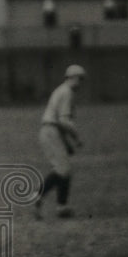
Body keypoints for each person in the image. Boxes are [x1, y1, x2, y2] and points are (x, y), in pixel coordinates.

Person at [34, 64, 86, 218]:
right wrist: (76, 137)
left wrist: (67, 143)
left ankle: (62, 207)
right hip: (51, 131)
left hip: (51, 130)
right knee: (62, 169)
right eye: (80, 79)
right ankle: (37, 195)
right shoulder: (67, 92)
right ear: (73, 78)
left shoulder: (61, 90)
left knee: (64, 169)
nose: (81, 83)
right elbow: (64, 121)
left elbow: (59, 120)